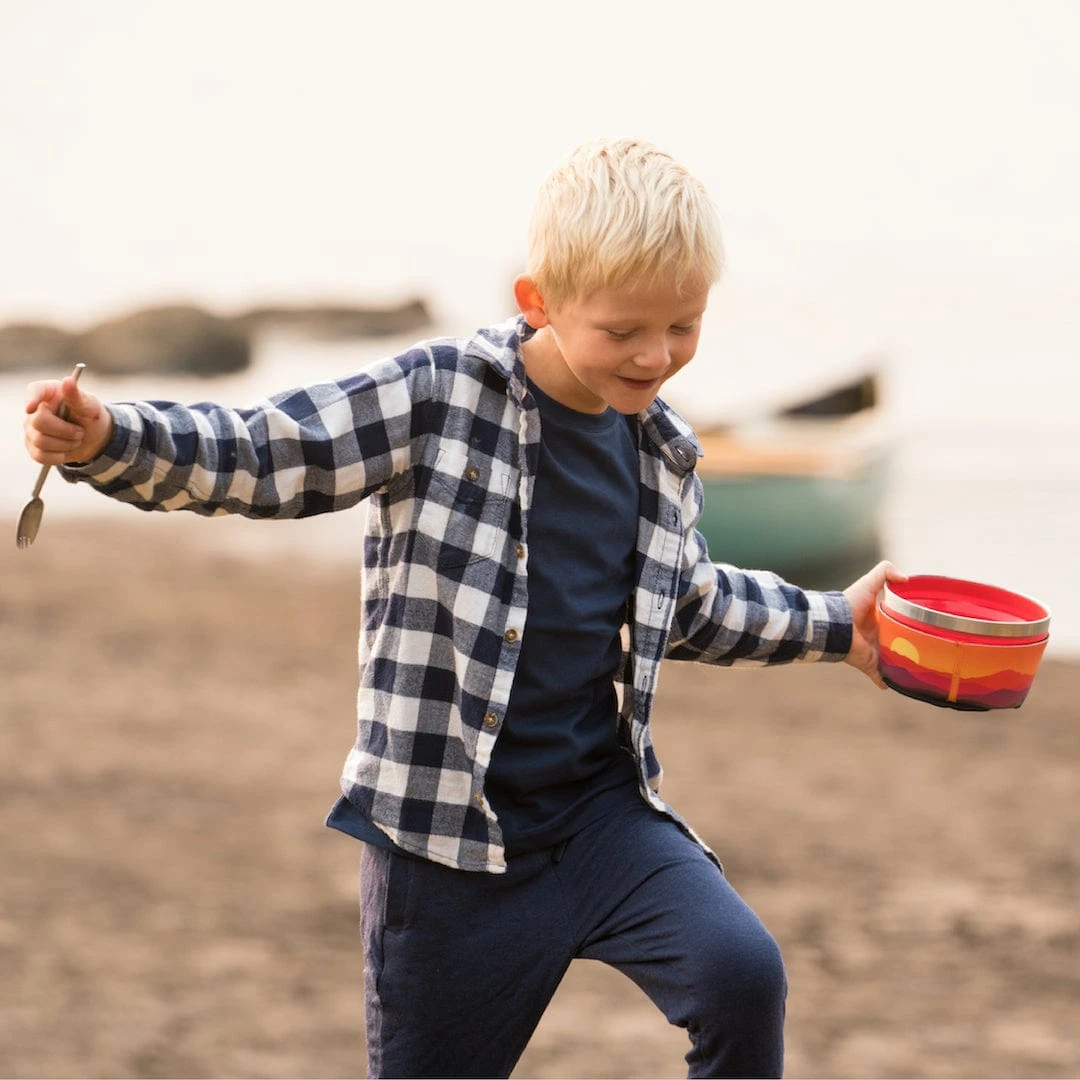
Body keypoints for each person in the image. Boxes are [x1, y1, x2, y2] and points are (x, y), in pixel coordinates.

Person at [23, 137, 901, 1079]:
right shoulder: (440, 397)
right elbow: (268, 454)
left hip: (602, 821)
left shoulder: (665, 454)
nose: (657, 356)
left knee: (741, 974)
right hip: (447, 850)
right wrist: (112, 439)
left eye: (683, 326)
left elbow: (682, 603)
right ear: (539, 303)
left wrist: (837, 627)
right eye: (623, 331)